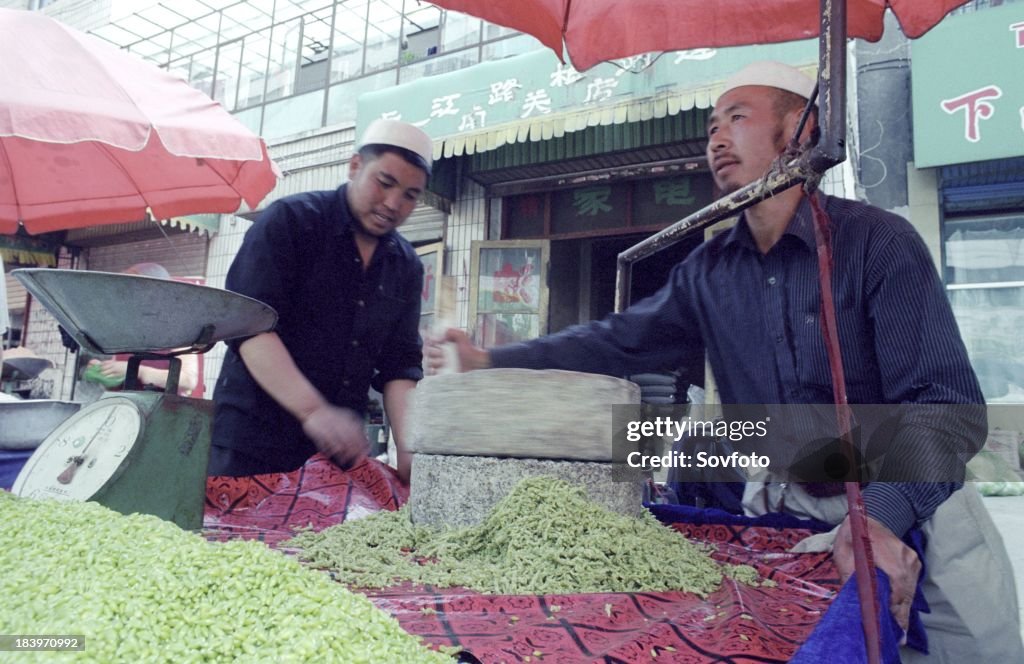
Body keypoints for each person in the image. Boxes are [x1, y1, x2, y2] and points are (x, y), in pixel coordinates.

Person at [431, 62, 1022, 661]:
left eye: (738, 118)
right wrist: (489, 360)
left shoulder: (878, 242)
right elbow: (613, 340)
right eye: (712, 126)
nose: (716, 138)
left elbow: (946, 410)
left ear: (802, 127)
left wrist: (880, 520)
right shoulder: (707, 274)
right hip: (789, 513)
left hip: (909, 499)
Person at [208, 119, 431, 483]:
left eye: (410, 195)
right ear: (355, 166)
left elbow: (400, 366)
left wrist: (409, 449)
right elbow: (249, 328)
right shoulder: (291, 222)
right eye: (385, 183)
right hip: (251, 445)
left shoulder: (406, 266)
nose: (393, 203)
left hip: (335, 460)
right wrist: (314, 411)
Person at [83, 262, 202, 397]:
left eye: (135, 289)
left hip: (163, 411)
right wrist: (104, 371)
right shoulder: (125, 328)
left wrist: (139, 371)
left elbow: (188, 381)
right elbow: (119, 377)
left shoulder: (179, 328)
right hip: (125, 408)